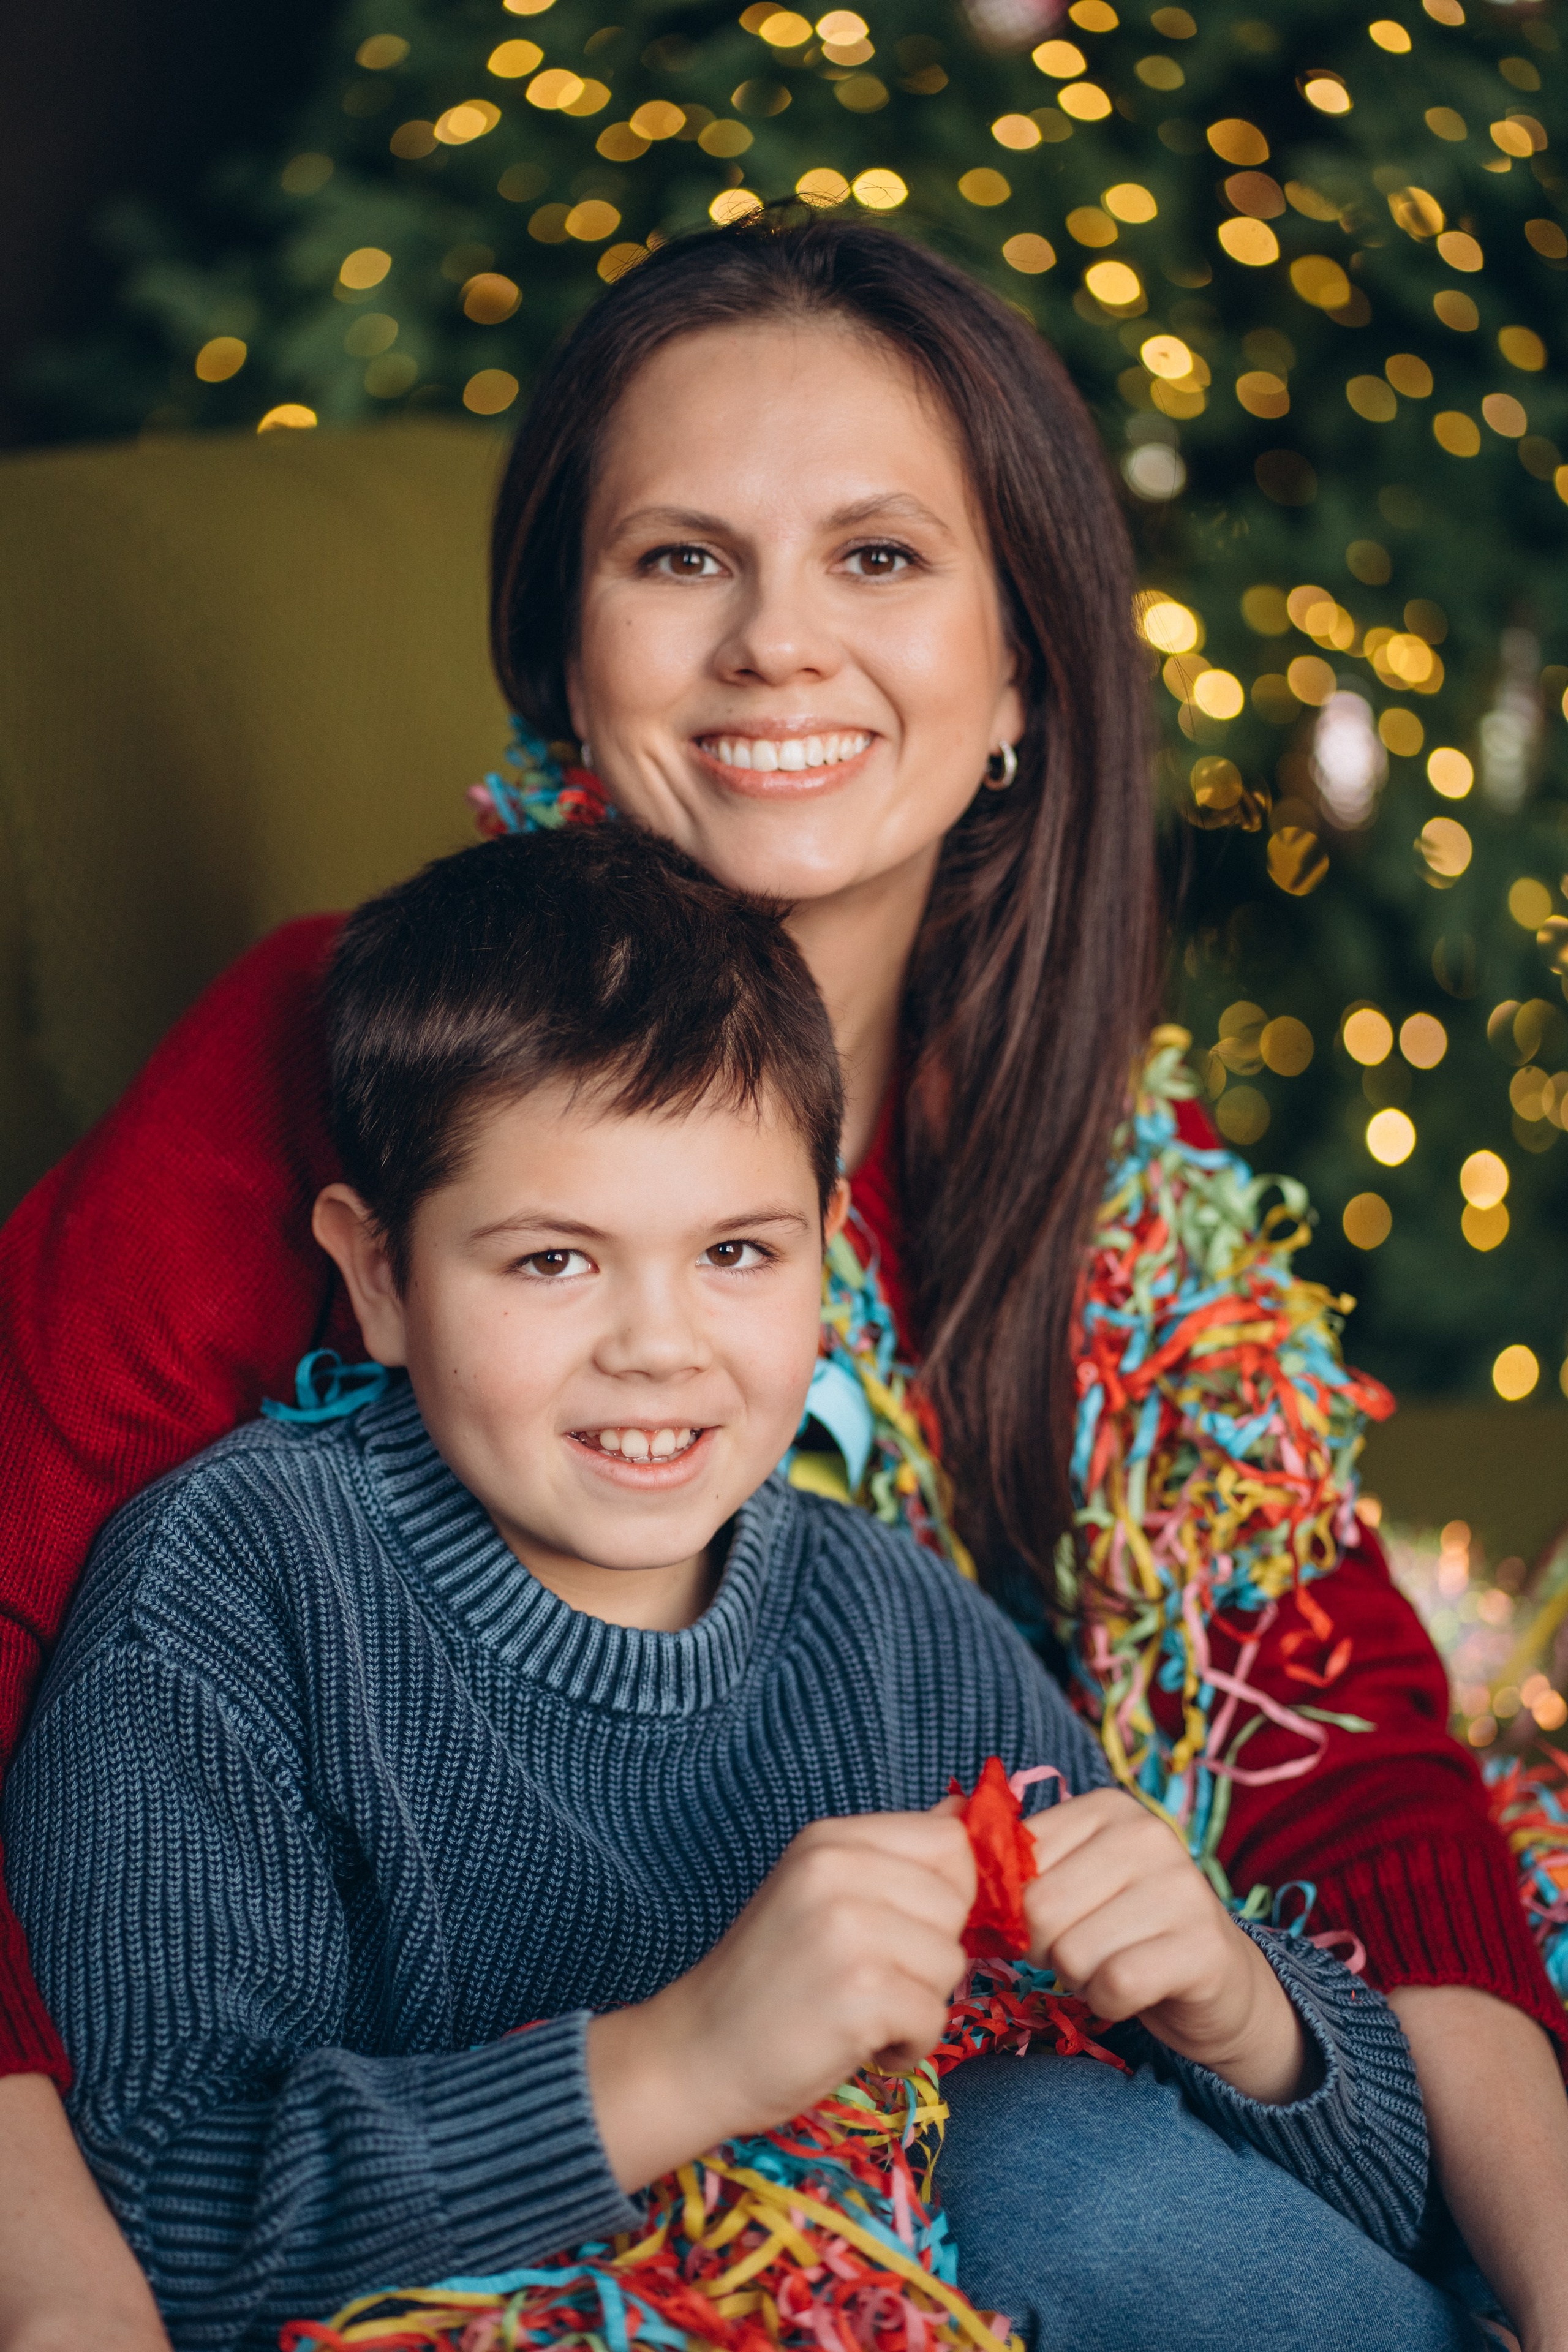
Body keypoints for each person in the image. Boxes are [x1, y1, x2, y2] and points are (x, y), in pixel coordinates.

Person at [0, 216, 1562, 2348]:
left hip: (1066, 2146)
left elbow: (1342, 1773)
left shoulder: (1105, 1195)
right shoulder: (351, 1077)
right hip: (555, 2212)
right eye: (682, 559)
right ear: (565, 652)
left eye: (881, 556)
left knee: (1088, 2168)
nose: (777, 645)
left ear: (1022, 675)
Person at [4, 827, 1466, 2352]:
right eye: (552, 1261)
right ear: (380, 1276)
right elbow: (155, 2217)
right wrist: (680, 2061)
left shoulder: (904, 1638)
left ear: (827, 1251)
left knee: (1053, 2154)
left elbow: (1399, 2227)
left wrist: (1243, 2016)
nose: (659, 1346)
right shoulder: (236, 1598)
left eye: (736, 1253)